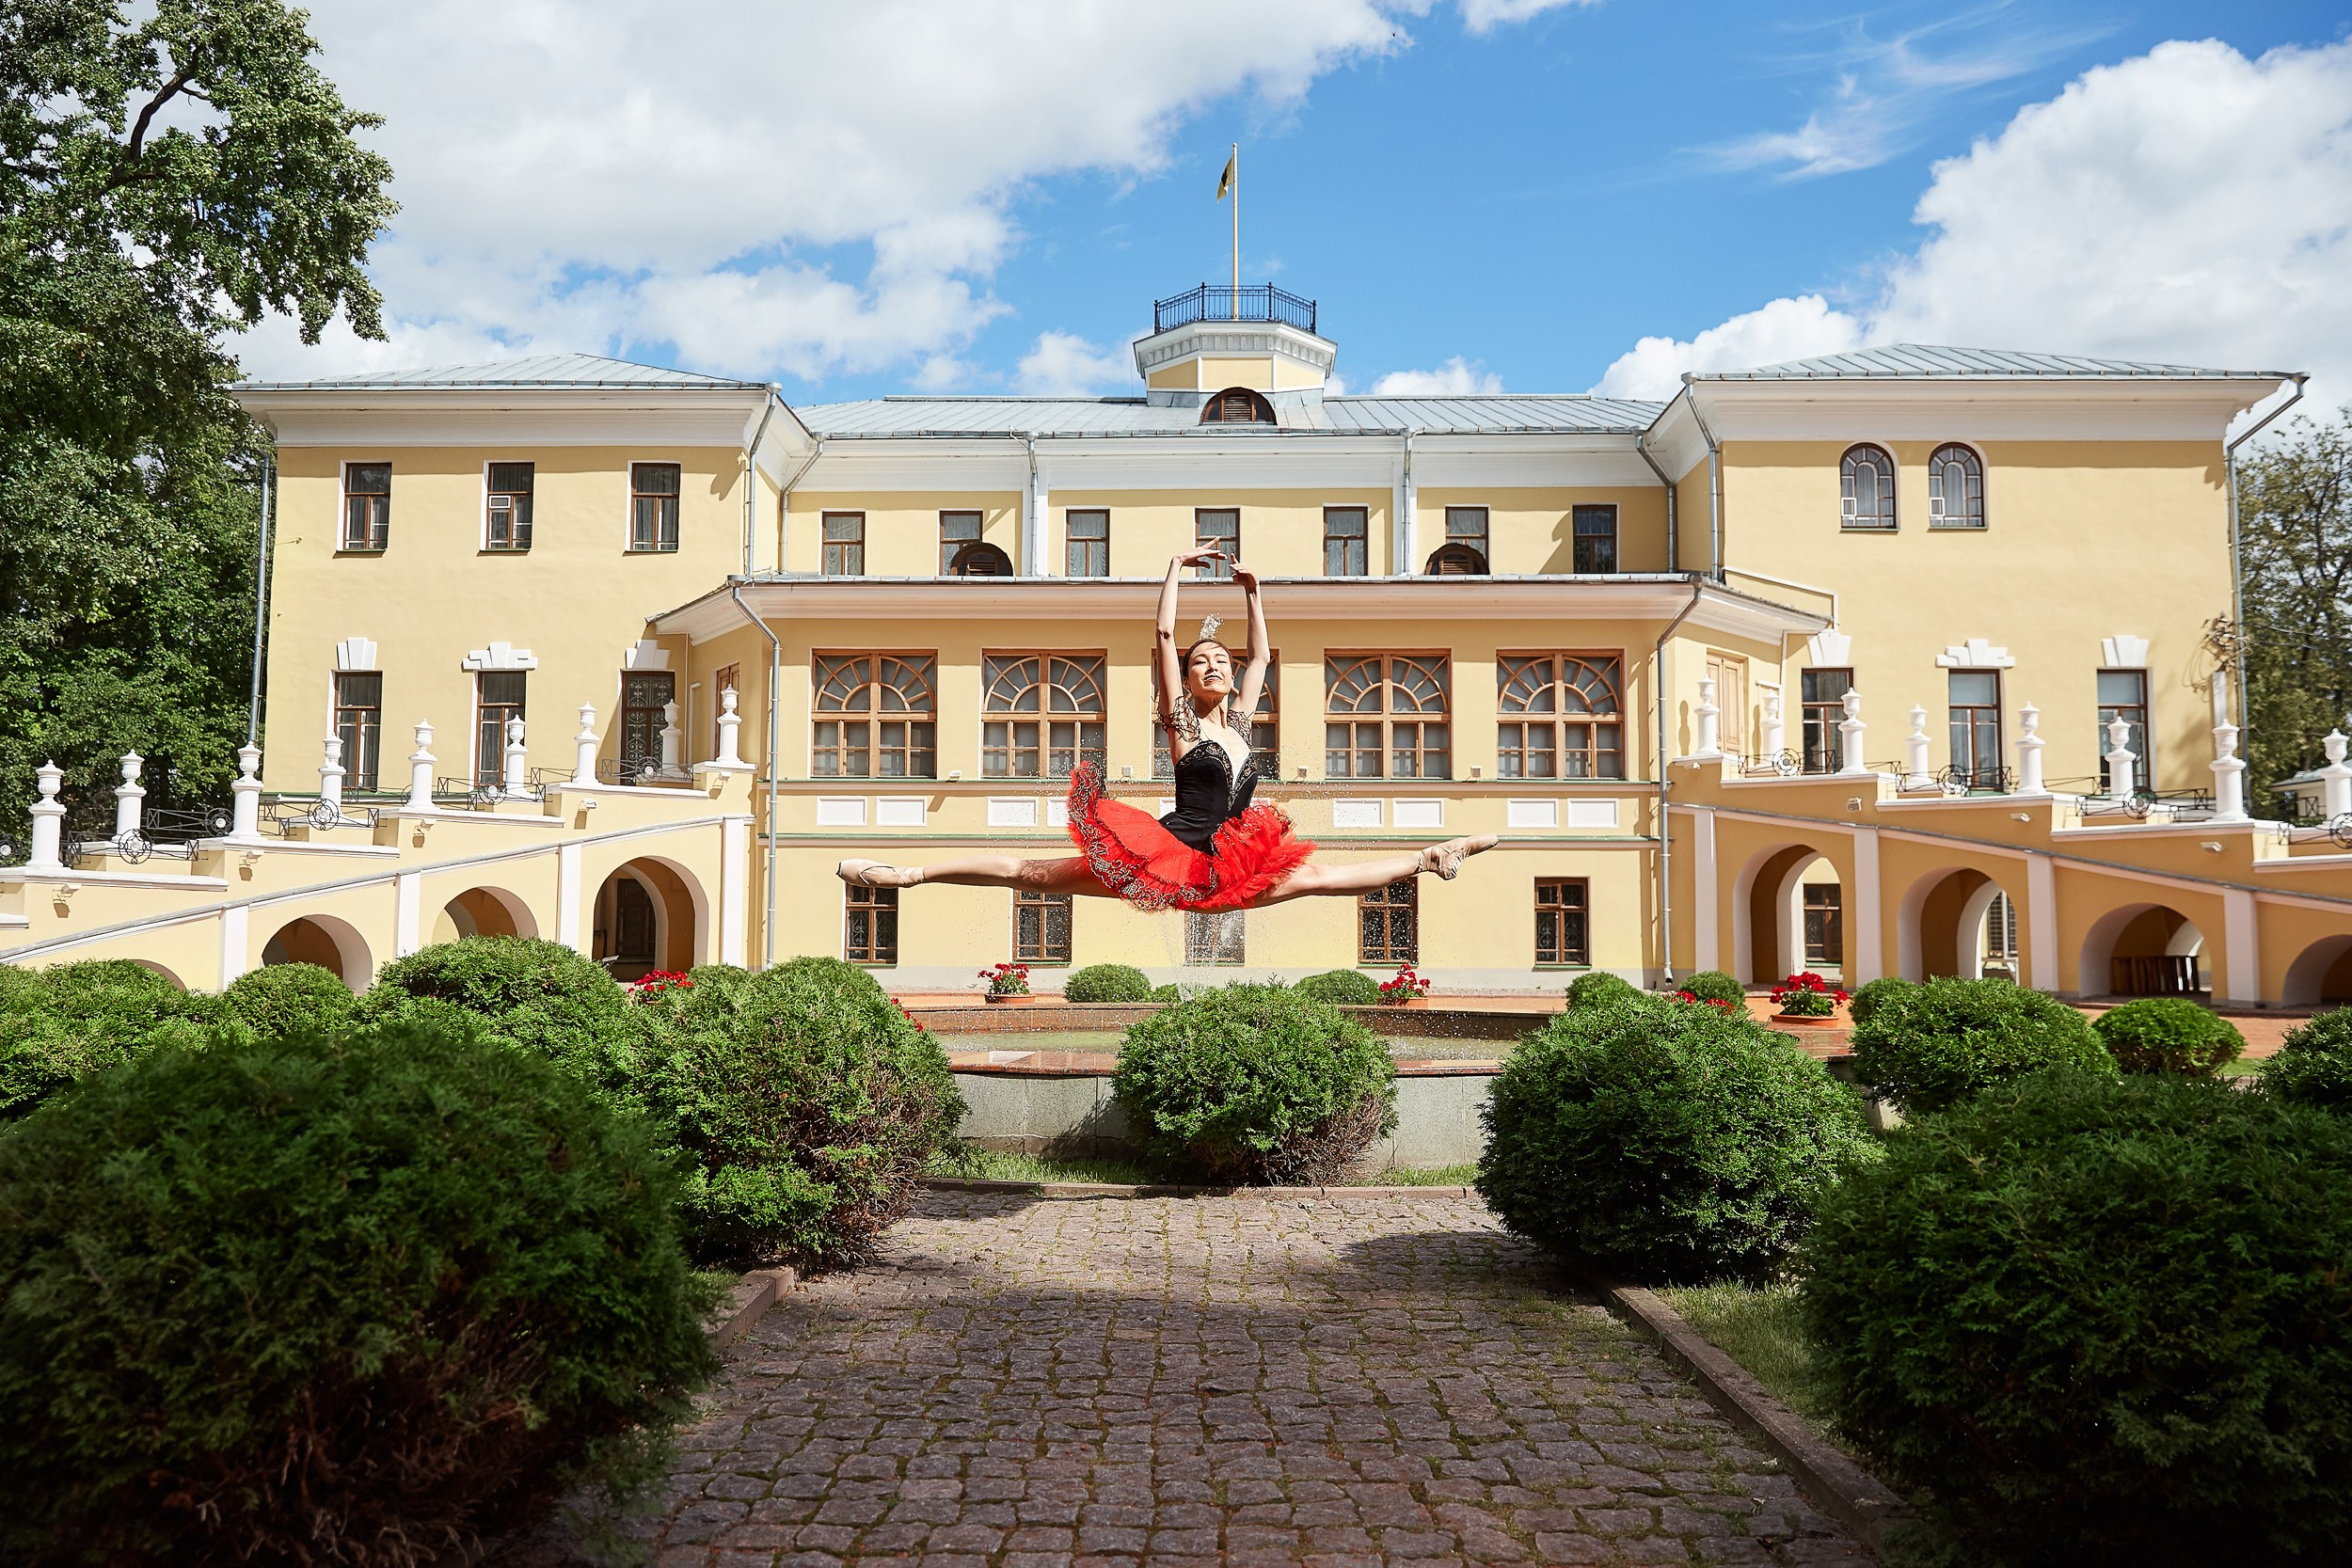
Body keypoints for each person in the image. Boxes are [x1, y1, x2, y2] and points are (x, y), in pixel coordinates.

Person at [836, 548, 1497, 908]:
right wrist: (1176, 573)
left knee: (1318, 878)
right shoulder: (1183, 724)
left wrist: (1254, 594)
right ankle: (909, 874)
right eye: (1200, 661)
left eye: (1219, 660)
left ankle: (1428, 857)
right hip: (1166, 855)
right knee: (1031, 872)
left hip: (1230, 864)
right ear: (1188, 678)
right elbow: (1161, 633)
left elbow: (1263, 656)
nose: (1213, 664)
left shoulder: (1239, 722)